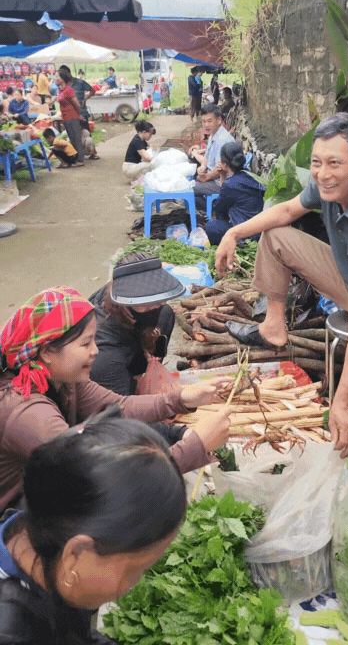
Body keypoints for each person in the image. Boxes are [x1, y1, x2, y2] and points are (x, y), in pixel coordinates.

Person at [216, 112, 348, 458]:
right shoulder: (328, 184)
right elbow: (286, 212)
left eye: (334, 163)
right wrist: (234, 232)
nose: (322, 173)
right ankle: (273, 327)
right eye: (316, 162)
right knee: (276, 235)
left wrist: (341, 401)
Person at [0, 286, 232, 515]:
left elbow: (120, 407)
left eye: (94, 340)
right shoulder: (28, 413)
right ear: (47, 351)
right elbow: (103, 480)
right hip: (16, 519)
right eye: (85, 343)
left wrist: (183, 398)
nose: (95, 350)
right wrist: (195, 447)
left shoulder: (61, 377)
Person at [0, 406, 186, 644]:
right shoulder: (11, 632)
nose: (134, 585)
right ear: (76, 554)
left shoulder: (46, 538)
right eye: (137, 570)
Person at [90, 252, 181, 395]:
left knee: (165, 313)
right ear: (126, 299)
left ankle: (147, 374)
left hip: (131, 339)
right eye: (149, 300)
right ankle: (132, 384)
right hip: (109, 378)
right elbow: (120, 407)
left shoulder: (120, 288)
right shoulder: (105, 353)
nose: (161, 303)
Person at [206, 142, 265, 245]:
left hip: (246, 235)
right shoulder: (251, 175)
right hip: (259, 229)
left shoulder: (230, 185)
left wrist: (223, 177)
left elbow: (220, 210)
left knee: (212, 226)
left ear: (224, 164)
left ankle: (226, 247)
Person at [191, 104, 235, 211]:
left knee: (189, 188)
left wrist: (206, 177)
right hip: (213, 177)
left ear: (219, 120)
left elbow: (220, 168)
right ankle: (211, 209)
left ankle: (214, 210)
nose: (206, 125)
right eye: (204, 121)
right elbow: (207, 157)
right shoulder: (213, 135)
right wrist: (202, 168)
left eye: (210, 121)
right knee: (194, 178)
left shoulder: (223, 139)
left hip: (223, 182)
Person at [56, 68, 85, 167]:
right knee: (72, 138)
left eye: (57, 76)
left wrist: (77, 115)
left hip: (72, 117)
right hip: (65, 118)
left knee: (76, 138)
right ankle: (75, 158)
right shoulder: (61, 90)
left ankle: (80, 159)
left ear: (62, 78)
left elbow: (77, 105)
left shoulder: (68, 90)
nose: (55, 78)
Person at [59, 64, 96, 134]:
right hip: (70, 115)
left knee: (86, 134)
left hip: (82, 112)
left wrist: (85, 99)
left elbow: (92, 90)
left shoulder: (80, 82)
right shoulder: (63, 86)